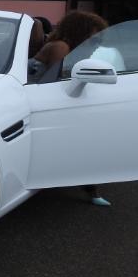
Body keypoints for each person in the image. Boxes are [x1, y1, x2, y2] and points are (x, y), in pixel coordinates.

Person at [30, 11, 112, 207]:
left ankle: (88, 184)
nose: (97, 44)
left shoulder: (69, 50)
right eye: (94, 39)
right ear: (79, 34)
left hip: (42, 101)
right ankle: (88, 186)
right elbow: (57, 84)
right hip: (34, 104)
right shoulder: (60, 47)